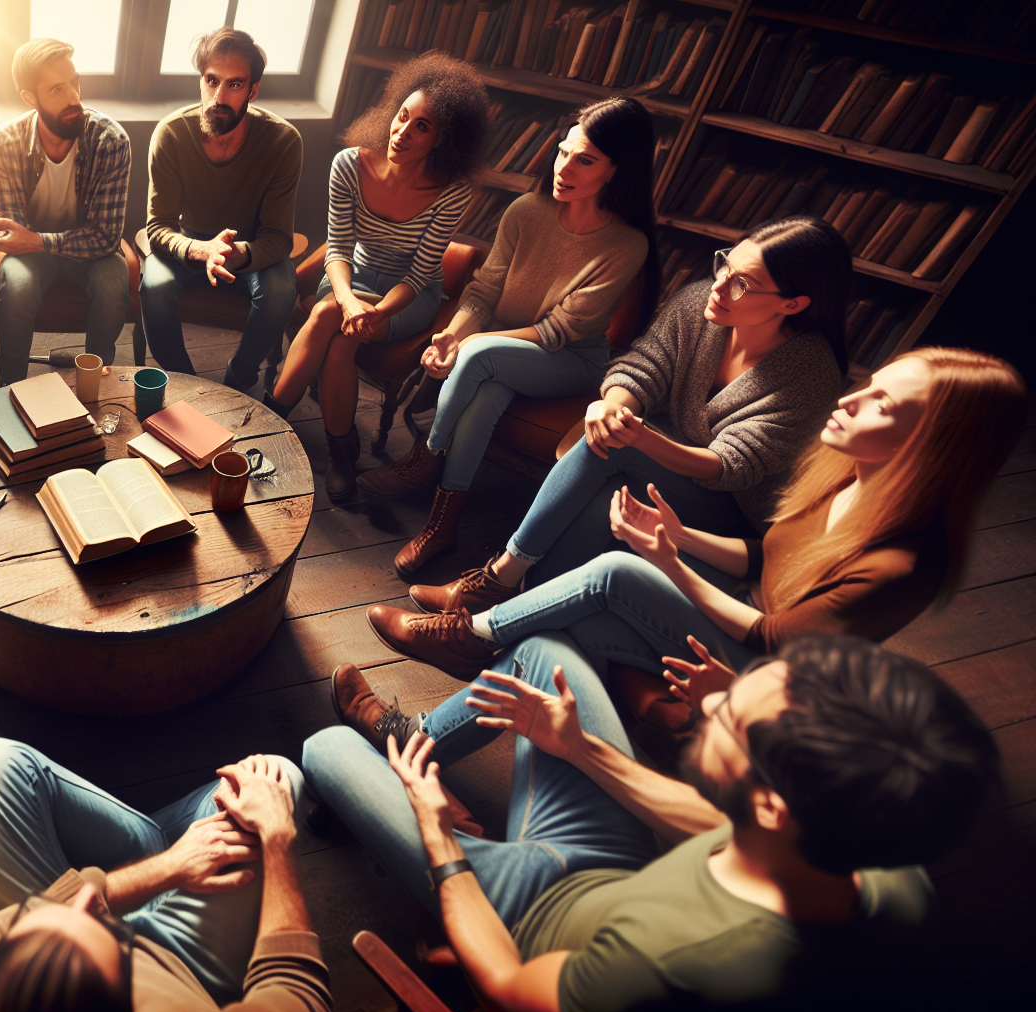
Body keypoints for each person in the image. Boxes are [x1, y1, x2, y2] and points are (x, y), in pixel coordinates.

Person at [305, 632, 998, 1012]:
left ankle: (423, 789)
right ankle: (414, 741)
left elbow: (507, 991)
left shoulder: (669, 964)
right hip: (613, 871)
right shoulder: (884, 864)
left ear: (772, 805)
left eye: (725, 715)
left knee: (323, 751)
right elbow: (719, 830)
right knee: (549, 656)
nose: (710, 701)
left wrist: (442, 841)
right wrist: (577, 747)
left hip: (522, 920)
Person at [360, 348, 1027, 685]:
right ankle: (457, 681)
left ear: (930, 446)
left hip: (749, 666)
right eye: (873, 382)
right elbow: (765, 555)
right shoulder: (851, 479)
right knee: (552, 640)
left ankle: (471, 632)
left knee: (615, 574)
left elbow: (770, 639)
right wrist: (680, 535)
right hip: (733, 609)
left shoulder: (903, 564)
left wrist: (668, 561)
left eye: (884, 404)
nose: (856, 399)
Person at [425, 216, 853, 612]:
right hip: (664, 465)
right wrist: (612, 406)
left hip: (731, 507)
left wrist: (638, 437)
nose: (719, 285)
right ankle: (508, 613)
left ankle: (495, 581)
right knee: (595, 510)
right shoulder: (699, 305)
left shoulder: (810, 375)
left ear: (793, 305)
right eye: (724, 265)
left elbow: (733, 468)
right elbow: (643, 366)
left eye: (741, 283)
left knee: (613, 450)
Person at [366, 96, 657, 582]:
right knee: (485, 395)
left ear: (617, 170)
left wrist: (473, 345)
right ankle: (443, 525)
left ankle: (423, 459)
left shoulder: (627, 244)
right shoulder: (526, 210)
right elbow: (482, 292)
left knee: (482, 356)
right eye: (563, 152)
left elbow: (558, 331)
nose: (564, 167)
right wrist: (451, 337)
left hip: (568, 361)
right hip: (502, 353)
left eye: (584, 160)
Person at [0, 739, 332, 1012]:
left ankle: (159, 846)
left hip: (145, 889)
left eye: (37, 928)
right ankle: (167, 842)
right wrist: (277, 836)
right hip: (185, 966)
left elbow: (79, 901)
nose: (88, 902)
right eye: (102, 929)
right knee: (278, 777)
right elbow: (296, 991)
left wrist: (168, 867)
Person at [265, 51, 488, 501]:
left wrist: (376, 311)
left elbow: (424, 271)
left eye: (422, 126)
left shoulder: (452, 193)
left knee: (344, 331)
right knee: (334, 315)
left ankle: (270, 426)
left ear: (443, 142)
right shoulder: (350, 164)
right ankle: (328, 445)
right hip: (349, 274)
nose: (402, 132)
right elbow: (339, 249)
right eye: (402, 116)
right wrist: (350, 301)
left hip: (410, 294)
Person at [139, 28, 302, 395]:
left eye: (234, 85)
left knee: (280, 291)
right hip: (190, 241)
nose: (218, 96)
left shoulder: (283, 141)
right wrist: (203, 250)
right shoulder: (170, 134)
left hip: (250, 247)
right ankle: (186, 387)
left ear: (253, 91)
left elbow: (278, 237)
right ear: (200, 80)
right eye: (212, 80)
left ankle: (237, 382)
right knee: (155, 286)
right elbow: (159, 226)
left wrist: (238, 253)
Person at [0, 38, 133, 389]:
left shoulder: (110, 140)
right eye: (57, 89)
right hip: (33, 255)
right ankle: (10, 387)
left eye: (75, 82)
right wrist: (31, 243)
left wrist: (36, 240)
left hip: (91, 254)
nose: (74, 98)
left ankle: (96, 381)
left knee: (114, 279)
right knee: (17, 284)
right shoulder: (3, 144)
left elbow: (105, 237)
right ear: (29, 98)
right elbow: (10, 235)